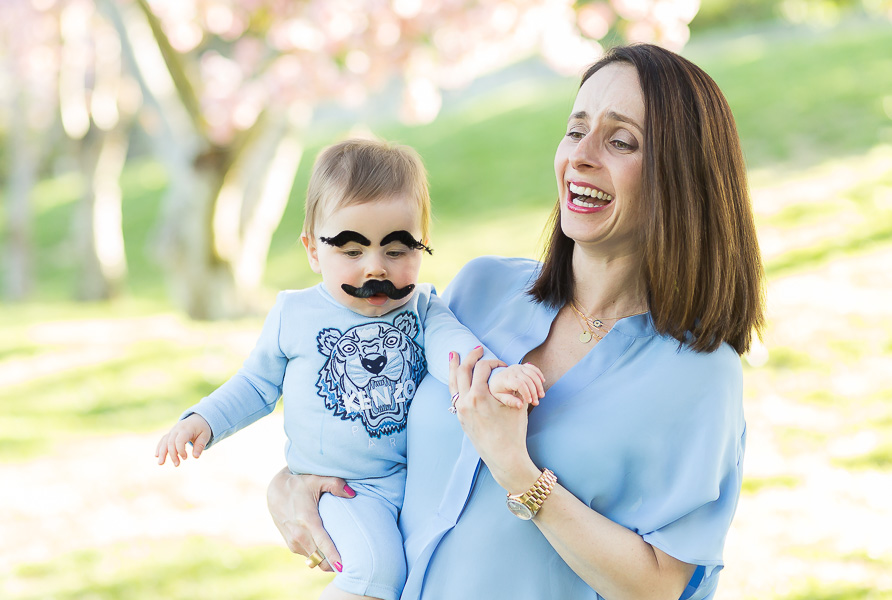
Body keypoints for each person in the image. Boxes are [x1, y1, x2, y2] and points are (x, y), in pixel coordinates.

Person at [266, 43, 766, 600]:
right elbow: (368, 430)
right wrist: (289, 484)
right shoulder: (478, 291)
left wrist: (517, 470)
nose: (581, 155)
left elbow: (660, 587)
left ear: (682, 175)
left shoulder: (697, 374)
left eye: (620, 141)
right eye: (576, 132)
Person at [154, 138, 545, 600]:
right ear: (313, 250)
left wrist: (497, 376)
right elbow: (256, 384)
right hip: (343, 488)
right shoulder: (295, 314)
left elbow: (456, 353)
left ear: (423, 246)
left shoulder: (423, 311)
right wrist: (202, 420)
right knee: (376, 574)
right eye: (351, 250)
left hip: (408, 485)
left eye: (396, 250)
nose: (375, 269)